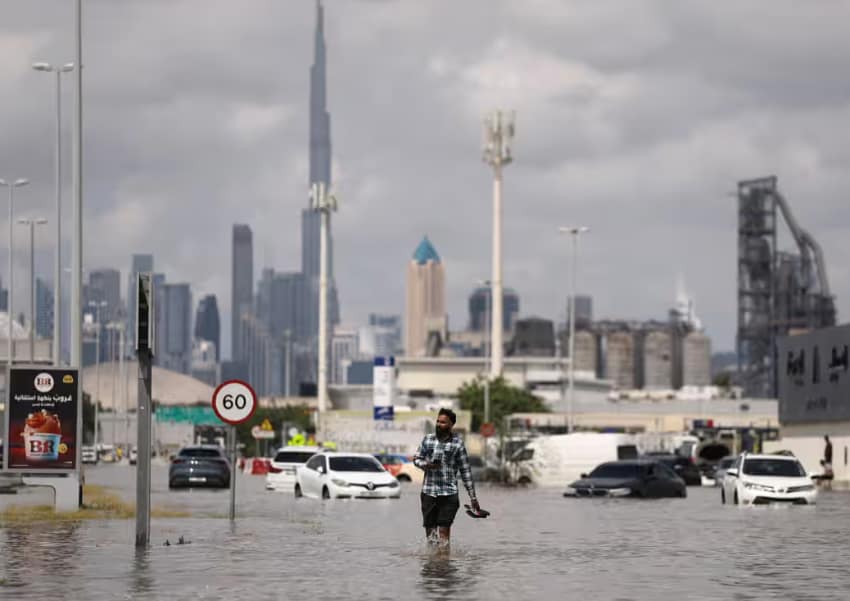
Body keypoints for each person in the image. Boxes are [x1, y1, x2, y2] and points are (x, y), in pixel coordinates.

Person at [413, 408, 480, 549]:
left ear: (451, 425)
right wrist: (427, 465)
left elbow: (465, 471)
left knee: (444, 532)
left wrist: (473, 497)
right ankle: (432, 565)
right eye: (438, 421)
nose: (439, 424)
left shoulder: (458, 444)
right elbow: (416, 459)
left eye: (443, 422)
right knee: (430, 533)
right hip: (428, 492)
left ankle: (444, 566)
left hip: (449, 494)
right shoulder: (428, 439)